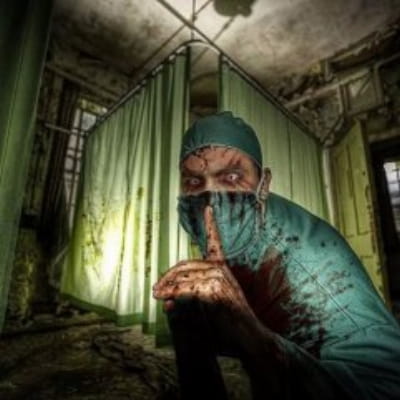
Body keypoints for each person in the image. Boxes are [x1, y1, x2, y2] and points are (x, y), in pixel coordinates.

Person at [152, 112, 400, 400]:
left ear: (264, 185)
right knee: (183, 305)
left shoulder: (315, 268)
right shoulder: (225, 225)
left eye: (231, 177)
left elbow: (387, 386)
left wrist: (258, 343)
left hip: (312, 360)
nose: (211, 202)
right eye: (194, 182)